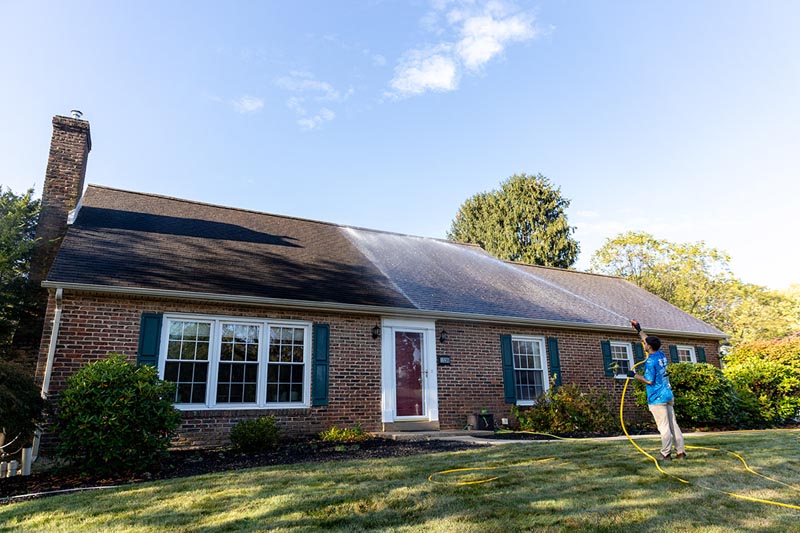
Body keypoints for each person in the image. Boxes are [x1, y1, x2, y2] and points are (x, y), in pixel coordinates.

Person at [627, 319, 686, 461]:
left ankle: (665, 454)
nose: (644, 344)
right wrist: (639, 330)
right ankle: (681, 452)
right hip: (668, 395)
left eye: (645, 344)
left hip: (657, 398)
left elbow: (649, 380)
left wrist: (634, 375)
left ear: (649, 347)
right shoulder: (661, 355)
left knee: (664, 427)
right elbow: (647, 339)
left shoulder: (650, 361)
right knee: (673, 425)